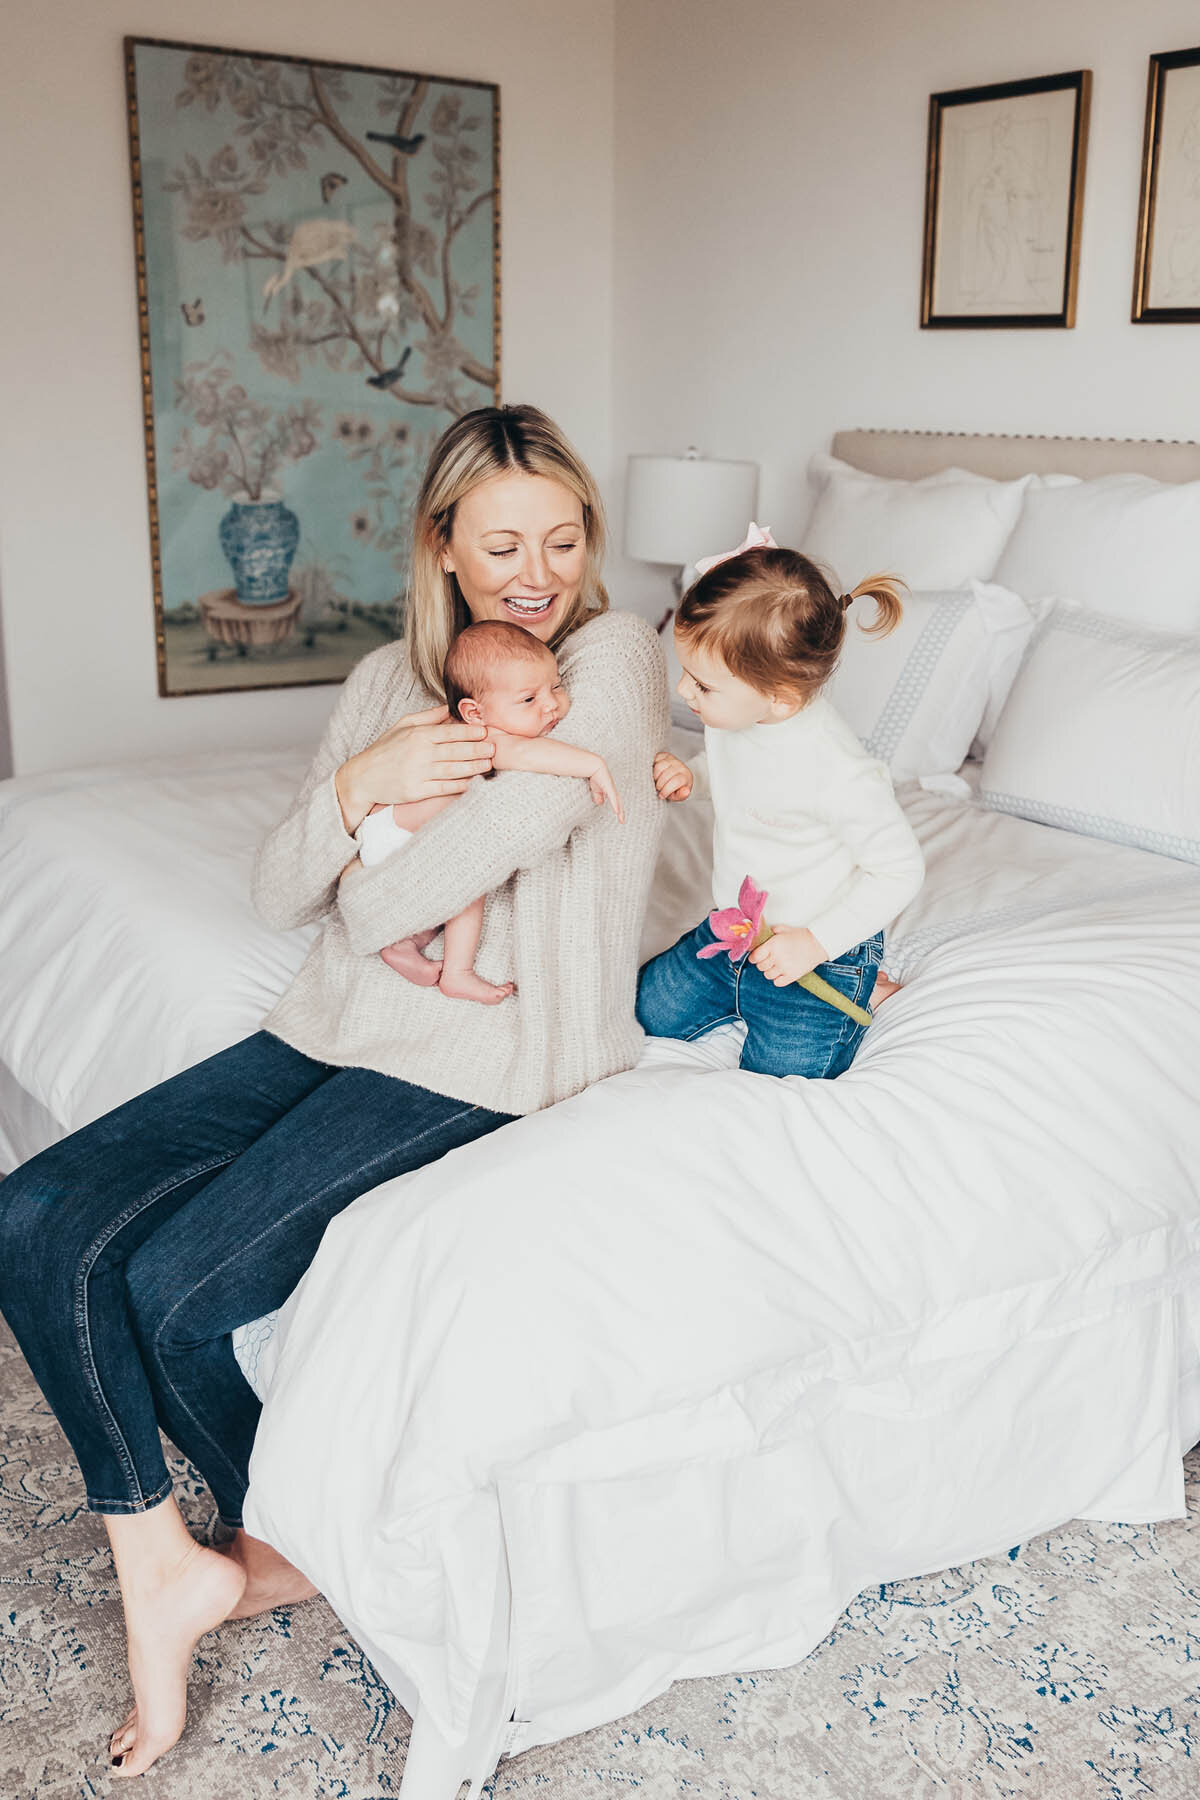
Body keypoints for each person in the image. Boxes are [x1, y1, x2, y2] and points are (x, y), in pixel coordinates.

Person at [0, 404, 667, 1778]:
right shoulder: (382, 681)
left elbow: (502, 830)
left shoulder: (612, 655)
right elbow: (276, 887)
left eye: (562, 535)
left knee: (179, 1288)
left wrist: (368, 887)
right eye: (501, 543)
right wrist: (365, 780)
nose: (535, 569)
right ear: (443, 546)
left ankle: (283, 1540)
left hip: (498, 1052)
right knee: (33, 1212)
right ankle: (167, 1565)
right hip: (328, 1029)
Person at [638, 525, 923, 1079]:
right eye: (687, 675)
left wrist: (816, 943)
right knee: (647, 1012)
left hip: (818, 956)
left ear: (781, 697)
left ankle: (871, 988)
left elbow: (900, 870)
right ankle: (737, 989)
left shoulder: (838, 773)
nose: (682, 692)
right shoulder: (737, 717)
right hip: (734, 929)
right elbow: (742, 774)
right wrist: (694, 778)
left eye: (702, 685)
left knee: (783, 1074)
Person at [362, 619, 624, 1002]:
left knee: (446, 882)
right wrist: (593, 764)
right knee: (471, 878)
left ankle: (403, 942)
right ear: (475, 712)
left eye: (556, 686)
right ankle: (458, 972)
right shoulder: (482, 736)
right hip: (394, 833)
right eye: (529, 699)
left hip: (388, 829)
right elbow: (528, 752)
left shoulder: (479, 722)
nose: (552, 704)